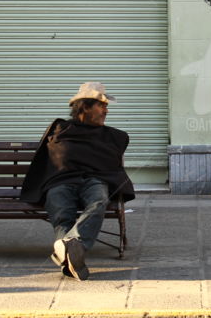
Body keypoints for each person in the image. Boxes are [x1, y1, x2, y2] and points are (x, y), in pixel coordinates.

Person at [20, 82, 135, 280]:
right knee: (61, 212)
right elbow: (57, 158)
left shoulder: (111, 136)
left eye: (106, 106)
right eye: (102, 106)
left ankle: (69, 247)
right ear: (85, 107)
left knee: (98, 202)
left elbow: (108, 160)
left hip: (94, 180)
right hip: (61, 182)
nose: (106, 111)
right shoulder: (61, 130)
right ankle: (73, 255)